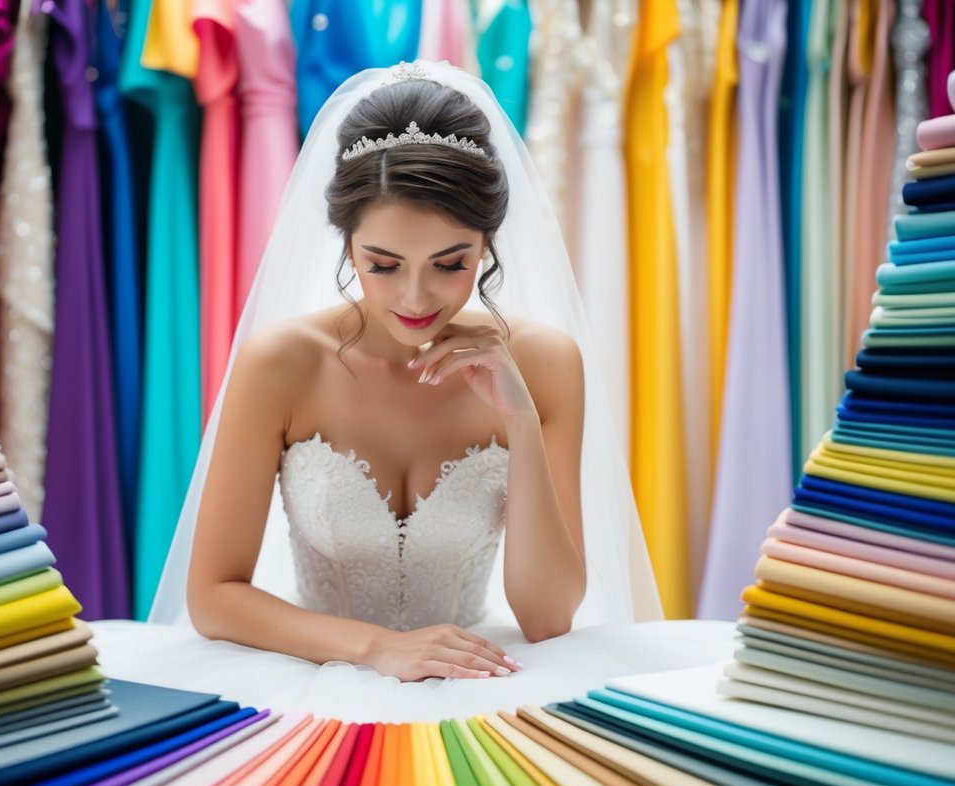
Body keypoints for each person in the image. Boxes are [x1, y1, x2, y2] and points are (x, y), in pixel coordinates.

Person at [92, 62, 729, 722]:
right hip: (312, 674)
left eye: (450, 264)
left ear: (486, 246)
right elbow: (213, 596)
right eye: (384, 265)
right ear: (348, 246)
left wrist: (520, 421)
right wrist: (377, 648)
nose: (416, 297)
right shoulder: (280, 363)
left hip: (482, 679)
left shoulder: (544, 364)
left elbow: (547, 619)